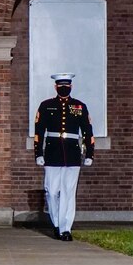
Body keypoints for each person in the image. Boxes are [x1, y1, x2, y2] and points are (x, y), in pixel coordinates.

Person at [34, 73, 94, 242]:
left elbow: (88, 131)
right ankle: (56, 223)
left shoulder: (79, 106)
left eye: (66, 86)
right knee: (52, 192)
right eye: (61, 86)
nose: (64, 88)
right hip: (52, 153)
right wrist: (38, 153)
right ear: (55, 87)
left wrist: (89, 154)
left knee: (68, 192)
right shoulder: (46, 106)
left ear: (71, 87)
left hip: (72, 153)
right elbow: (39, 132)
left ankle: (65, 228)